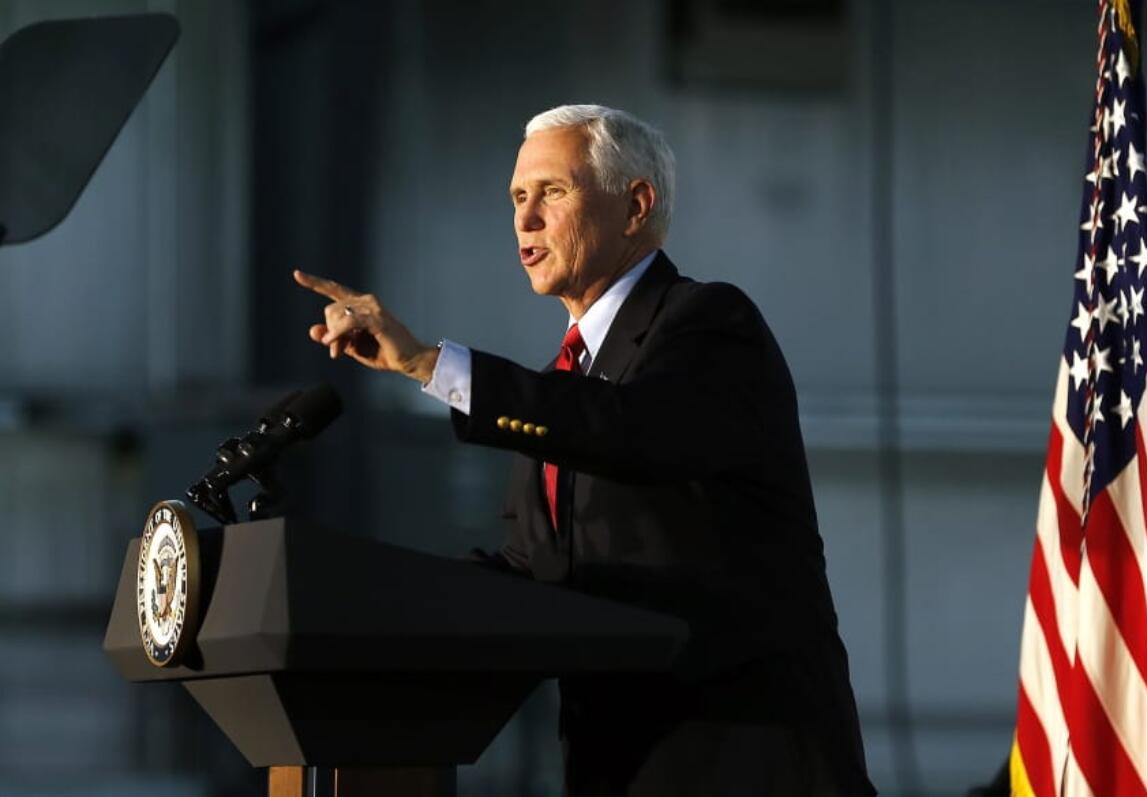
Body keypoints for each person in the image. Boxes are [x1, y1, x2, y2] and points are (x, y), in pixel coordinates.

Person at [294, 104, 875, 796]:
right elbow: (534, 573)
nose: (525, 218)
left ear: (635, 205)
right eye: (516, 197)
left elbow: (633, 432)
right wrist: (366, 601)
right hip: (616, 766)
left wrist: (428, 364)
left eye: (552, 191)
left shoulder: (711, 324)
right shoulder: (559, 387)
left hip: (745, 761)